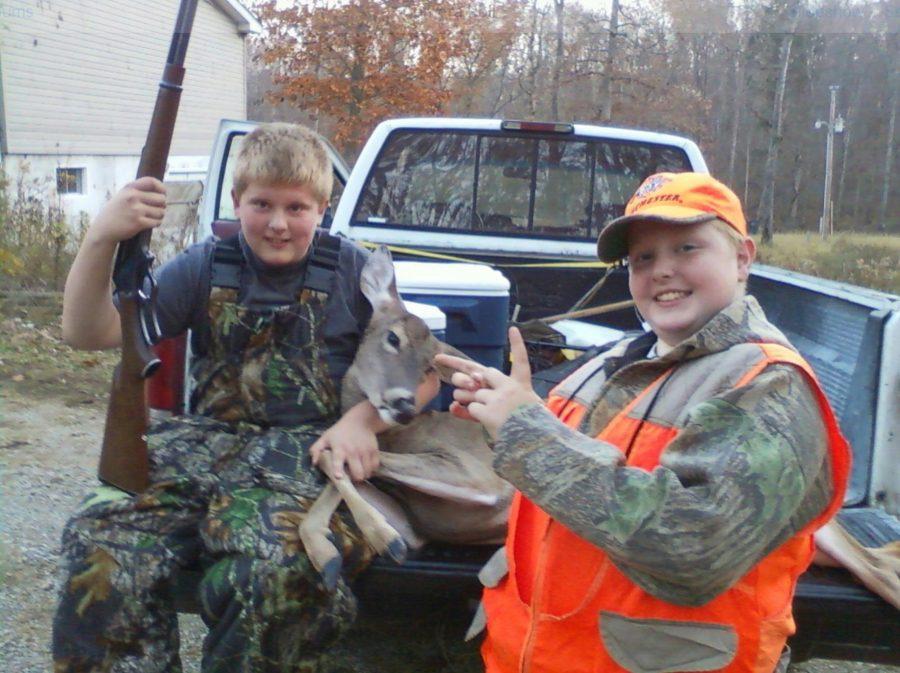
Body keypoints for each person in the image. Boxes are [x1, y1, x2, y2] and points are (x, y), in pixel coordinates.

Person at [53, 122, 434, 673]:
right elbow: (88, 333)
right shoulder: (205, 265)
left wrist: (362, 422)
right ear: (237, 202)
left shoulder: (353, 271)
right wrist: (101, 238)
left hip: (304, 460)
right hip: (201, 451)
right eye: (262, 204)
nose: (278, 224)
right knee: (100, 541)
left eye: (297, 208)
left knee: (275, 573)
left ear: (322, 208)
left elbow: (426, 374)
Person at [436, 172, 851, 673]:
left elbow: (691, 549)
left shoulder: (768, 385)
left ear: (743, 257)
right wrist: (502, 414)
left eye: (686, 248)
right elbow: (578, 468)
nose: (662, 270)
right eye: (643, 258)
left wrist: (526, 435)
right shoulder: (614, 360)